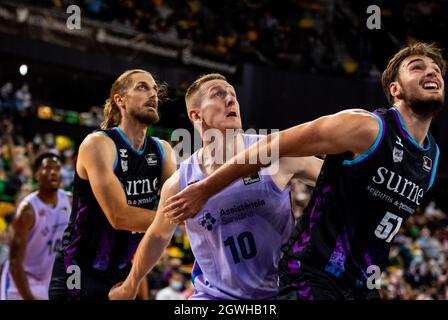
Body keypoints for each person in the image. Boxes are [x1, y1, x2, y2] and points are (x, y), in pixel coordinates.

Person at [162, 42, 444, 300]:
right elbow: (272, 146)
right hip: (312, 276)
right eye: (417, 67)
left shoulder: (429, 159)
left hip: (360, 284)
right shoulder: (365, 127)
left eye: (436, 69)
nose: (431, 72)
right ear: (395, 89)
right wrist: (205, 188)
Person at [109, 73, 322, 300]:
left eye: (233, 94)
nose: (230, 100)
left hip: (280, 293)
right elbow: (158, 235)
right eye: (218, 95)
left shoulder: (276, 154)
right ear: (196, 115)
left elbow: (338, 181)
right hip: (214, 297)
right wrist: (130, 286)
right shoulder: (180, 182)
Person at [48, 69, 176, 300]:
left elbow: (176, 204)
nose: (153, 95)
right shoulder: (98, 144)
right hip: (78, 270)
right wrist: (179, 217)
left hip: (123, 272)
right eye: (142, 87)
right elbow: (119, 216)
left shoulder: (163, 151)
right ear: (120, 99)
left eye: (155, 90)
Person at [1, 153, 71, 300]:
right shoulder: (27, 211)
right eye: (48, 168)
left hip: (49, 279)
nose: (54, 172)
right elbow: (15, 262)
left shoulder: (69, 201)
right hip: (21, 280)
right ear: (36, 175)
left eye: (57, 168)